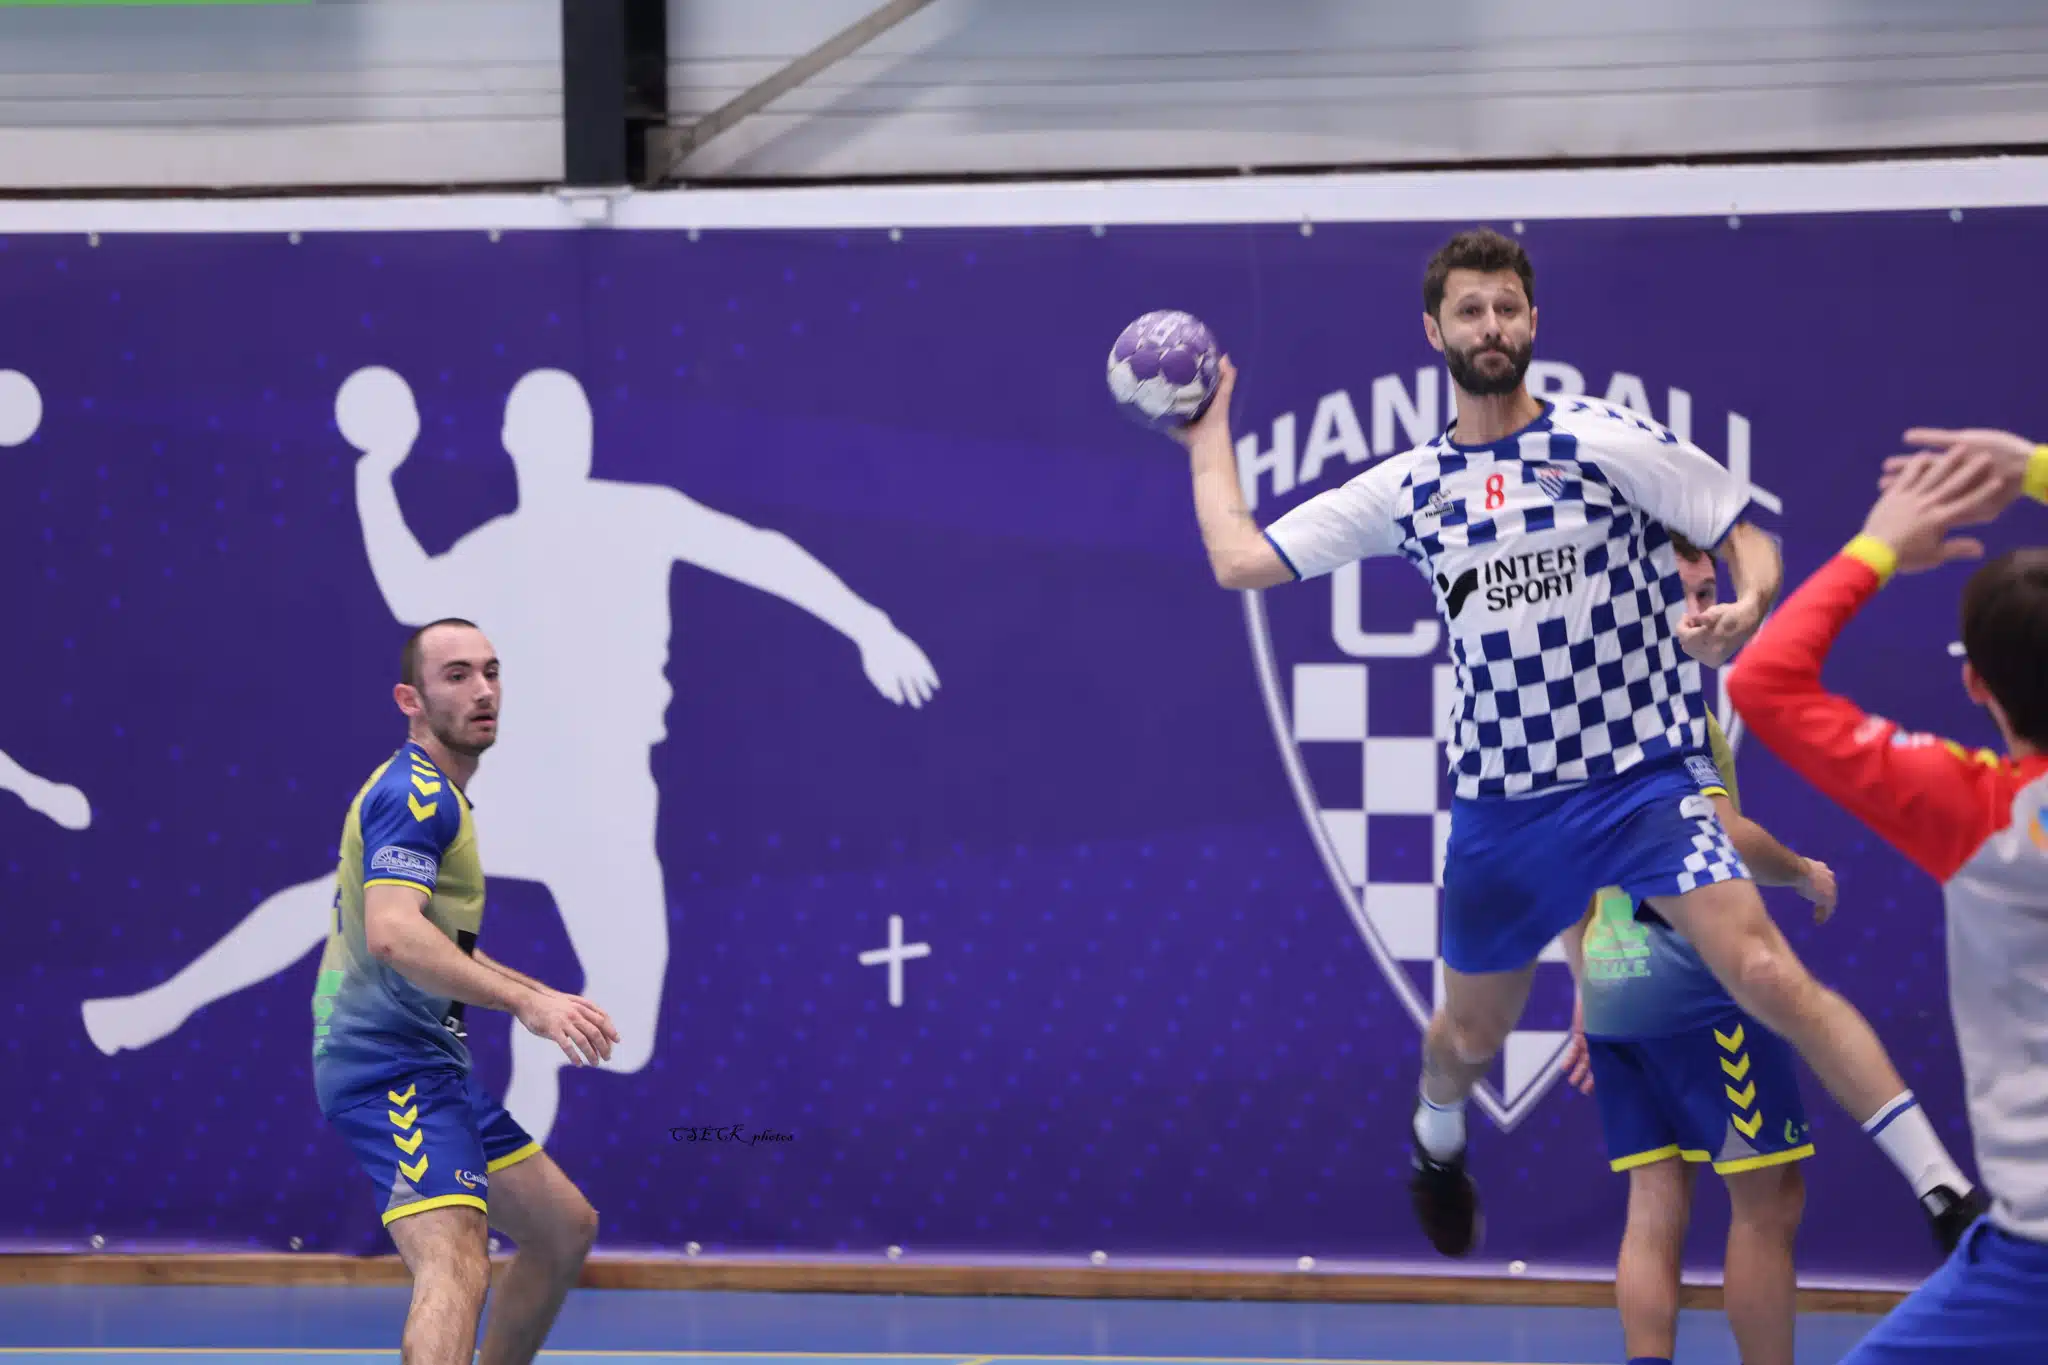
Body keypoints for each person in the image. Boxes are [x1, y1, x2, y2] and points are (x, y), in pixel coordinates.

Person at [1170, 225, 1981, 1258]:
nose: (1491, 325)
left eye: (1506, 308)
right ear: (1434, 332)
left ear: (1533, 322)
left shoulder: (1606, 440)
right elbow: (1239, 559)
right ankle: (1435, 1138)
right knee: (1470, 1035)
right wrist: (1206, 436)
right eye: (1469, 310)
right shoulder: (1409, 487)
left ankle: (1943, 1192)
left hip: (1643, 782)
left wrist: (1749, 602)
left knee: (1764, 969)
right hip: (1507, 809)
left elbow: (1743, 531)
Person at [1726, 431, 2048, 1362]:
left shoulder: (1978, 815)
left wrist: (1879, 546)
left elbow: (1762, 682)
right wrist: (2034, 467)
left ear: (1974, 682)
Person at [1555, 536, 1837, 1365]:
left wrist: (1587, 990)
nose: (1702, 610)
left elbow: (1567, 873)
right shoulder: (1669, 707)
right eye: (1683, 591)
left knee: (1655, 1197)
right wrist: (1803, 872)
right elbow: (1722, 832)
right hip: (1700, 981)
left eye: (1710, 590)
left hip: (1617, 978)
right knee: (1768, 1202)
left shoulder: (1570, 712)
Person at [311, 617, 621, 1365]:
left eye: (490, 671)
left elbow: (432, 942)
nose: (483, 690)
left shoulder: (438, 795)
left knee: (561, 1228)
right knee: (454, 1261)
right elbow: (393, 932)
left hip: (429, 1063)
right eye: (456, 676)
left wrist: (539, 993)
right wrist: (527, 1003)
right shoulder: (416, 795)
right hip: (387, 1067)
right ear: (410, 699)